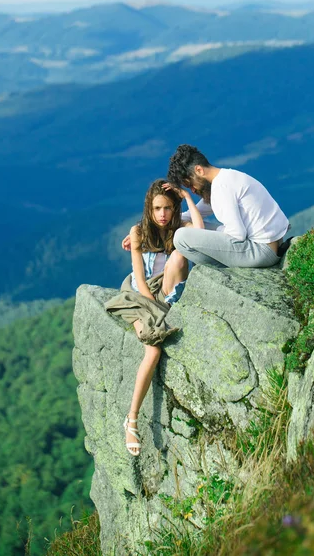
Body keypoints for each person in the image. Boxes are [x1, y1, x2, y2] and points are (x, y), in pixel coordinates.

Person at [105, 179, 204, 456]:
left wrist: (187, 196)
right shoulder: (137, 232)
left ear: (175, 209)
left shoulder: (180, 229)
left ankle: (168, 305)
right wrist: (155, 311)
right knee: (153, 351)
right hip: (140, 295)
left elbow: (199, 230)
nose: (163, 214)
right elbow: (139, 279)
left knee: (179, 256)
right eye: (158, 208)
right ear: (149, 209)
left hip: (167, 291)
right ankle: (132, 419)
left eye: (169, 208)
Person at [166, 144, 290, 268]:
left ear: (199, 170)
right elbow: (194, 215)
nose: (193, 190)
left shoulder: (221, 187)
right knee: (191, 228)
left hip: (261, 252)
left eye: (190, 184)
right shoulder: (226, 178)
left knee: (181, 237)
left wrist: (205, 233)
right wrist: (171, 218)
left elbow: (237, 234)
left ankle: (219, 271)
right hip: (273, 245)